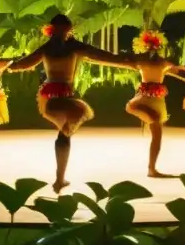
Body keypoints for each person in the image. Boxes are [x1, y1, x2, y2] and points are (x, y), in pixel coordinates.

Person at [7, 13, 130, 193]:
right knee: (64, 133)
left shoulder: (48, 47)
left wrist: (11, 65)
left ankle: (60, 178)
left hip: (50, 97)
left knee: (64, 133)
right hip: (60, 96)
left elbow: (24, 63)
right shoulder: (72, 46)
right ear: (67, 28)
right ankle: (59, 178)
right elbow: (100, 55)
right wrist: (121, 59)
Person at [121, 29, 185, 177]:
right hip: (143, 98)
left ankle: (152, 169)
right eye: (149, 46)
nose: (152, 49)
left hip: (157, 100)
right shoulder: (140, 61)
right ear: (144, 47)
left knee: (157, 134)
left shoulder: (164, 64)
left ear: (158, 48)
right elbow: (119, 61)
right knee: (150, 120)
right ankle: (152, 169)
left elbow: (181, 72)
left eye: (154, 46)